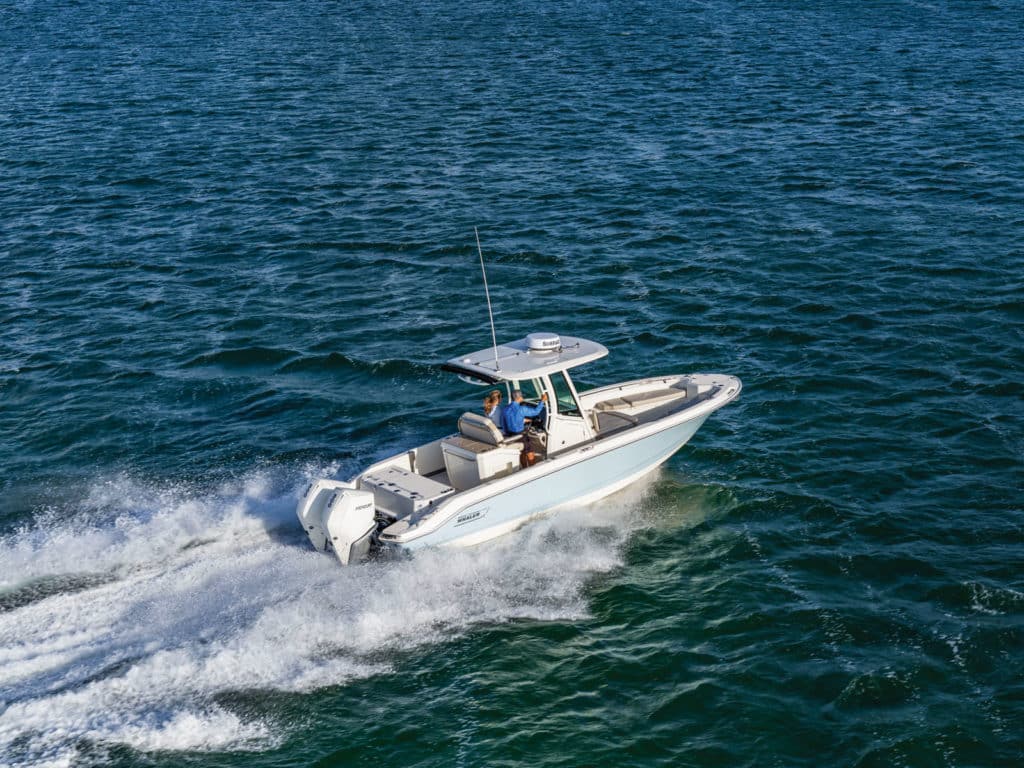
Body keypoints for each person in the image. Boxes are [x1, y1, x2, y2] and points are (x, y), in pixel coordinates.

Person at [502, 389, 548, 467]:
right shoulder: (522, 409)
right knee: (530, 454)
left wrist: (522, 421)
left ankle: (524, 468)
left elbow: (504, 424)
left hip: (510, 436)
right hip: (520, 435)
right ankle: (533, 469)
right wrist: (542, 401)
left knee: (522, 452)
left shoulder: (505, 409)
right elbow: (536, 412)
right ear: (519, 397)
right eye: (522, 396)